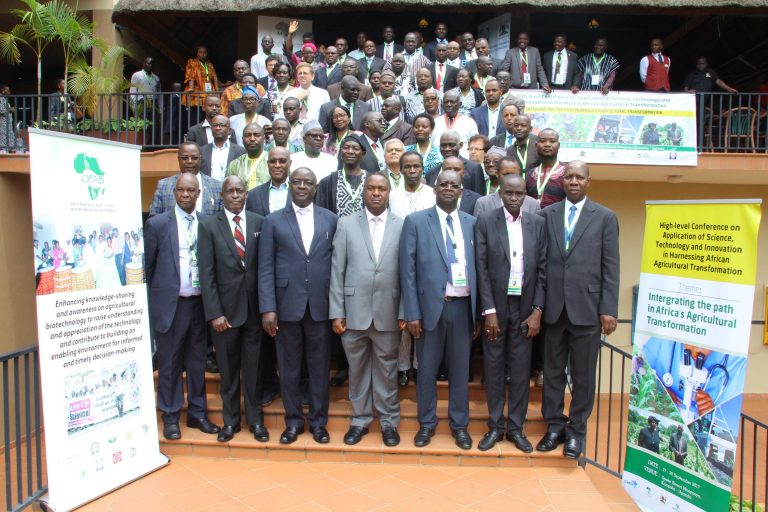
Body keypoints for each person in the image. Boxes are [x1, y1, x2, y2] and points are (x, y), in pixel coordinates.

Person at [535, 161, 619, 459]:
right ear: (562, 181)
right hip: (554, 310)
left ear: (588, 181)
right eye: (568, 176)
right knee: (553, 372)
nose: (573, 181)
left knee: (583, 377)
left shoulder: (605, 217)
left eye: (579, 177)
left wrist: (608, 308)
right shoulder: (547, 215)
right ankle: (554, 426)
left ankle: (576, 431)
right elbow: (541, 264)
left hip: (588, 310)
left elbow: (611, 266)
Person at [400, 170, 479, 450]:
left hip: (463, 309)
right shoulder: (416, 222)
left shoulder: (472, 223)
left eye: (453, 185)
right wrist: (412, 313)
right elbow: (407, 272)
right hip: (428, 310)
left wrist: (479, 312)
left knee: (460, 371)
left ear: (461, 192)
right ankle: (426, 424)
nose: (448, 188)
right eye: (442, 184)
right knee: (426, 371)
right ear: (434, 189)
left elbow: (480, 269)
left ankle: (460, 426)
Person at [258, 167, 338, 445]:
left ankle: (318, 423)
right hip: (286, 306)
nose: (302, 186)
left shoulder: (330, 219)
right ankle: (292, 422)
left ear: (316, 187)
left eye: (308, 182)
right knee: (289, 368)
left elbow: (336, 264)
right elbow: (265, 267)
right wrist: (268, 308)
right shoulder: (272, 221)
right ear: (290, 185)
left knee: (319, 368)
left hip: (320, 306)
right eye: (297, 182)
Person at [144, 172, 221, 441]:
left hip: (199, 305)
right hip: (171, 306)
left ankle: (198, 414)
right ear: (174, 192)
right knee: (170, 363)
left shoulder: (208, 223)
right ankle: (170, 415)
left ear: (198, 194)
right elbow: (148, 268)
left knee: (197, 362)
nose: (185, 194)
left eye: (191, 190)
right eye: (181, 190)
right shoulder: (157, 225)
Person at [329, 172, 404, 447]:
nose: (376, 193)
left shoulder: (402, 225)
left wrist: (404, 311)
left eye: (381, 188)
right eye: (371, 188)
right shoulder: (346, 224)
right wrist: (337, 311)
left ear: (388, 192)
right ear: (364, 192)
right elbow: (337, 270)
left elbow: (407, 273)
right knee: (357, 369)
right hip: (353, 312)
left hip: (389, 311)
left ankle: (389, 421)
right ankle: (360, 420)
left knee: (387, 371)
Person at [475, 172, 547, 452]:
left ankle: (516, 428)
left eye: (519, 193)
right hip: (496, 306)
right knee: (493, 368)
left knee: (520, 370)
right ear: (501, 193)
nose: (514, 198)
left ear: (526, 195)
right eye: (509, 193)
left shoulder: (537, 224)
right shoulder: (485, 221)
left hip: (525, 308)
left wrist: (537, 310)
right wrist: (489, 310)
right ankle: (495, 426)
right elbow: (481, 268)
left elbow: (542, 269)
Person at [197, 175, 266, 442]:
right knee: (228, 372)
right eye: (230, 191)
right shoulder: (208, 226)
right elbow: (206, 273)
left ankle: (256, 421)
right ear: (222, 195)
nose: (235, 195)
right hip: (224, 315)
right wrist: (214, 313)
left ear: (246, 194)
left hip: (254, 313)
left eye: (240, 190)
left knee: (254, 370)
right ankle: (231, 422)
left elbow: (264, 268)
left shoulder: (259, 222)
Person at [149, 142, 223, 216]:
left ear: (200, 159)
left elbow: (222, 219)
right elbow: (154, 219)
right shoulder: (163, 186)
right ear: (178, 159)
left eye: (194, 158)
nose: (189, 161)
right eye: (184, 158)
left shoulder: (217, 186)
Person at [316, 135, 368, 216]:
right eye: (346, 148)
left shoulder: (371, 180)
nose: (350, 151)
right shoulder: (327, 182)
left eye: (355, 148)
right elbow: (319, 213)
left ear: (363, 153)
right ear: (341, 152)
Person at [474, 156, 541, 217]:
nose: (510, 178)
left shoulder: (533, 205)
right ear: (497, 174)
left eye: (514, 174)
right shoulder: (483, 204)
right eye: (506, 174)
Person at [425, 130, 486, 195]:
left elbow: (479, 196)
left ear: (460, 145)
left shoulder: (474, 169)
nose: (447, 149)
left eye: (451, 145)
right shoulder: (432, 172)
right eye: (443, 145)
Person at [246, 146, 292, 217]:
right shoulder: (253, 195)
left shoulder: (300, 192)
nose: (277, 165)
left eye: (282, 161)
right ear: (267, 164)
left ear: (290, 163)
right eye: (273, 161)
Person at [526, 128, 566, 207]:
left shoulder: (568, 172)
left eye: (552, 141)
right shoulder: (530, 174)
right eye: (542, 141)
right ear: (536, 145)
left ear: (558, 145)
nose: (547, 144)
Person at [432, 91, 479, 159]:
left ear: (460, 104)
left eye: (452, 102)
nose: (449, 104)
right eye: (446, 102)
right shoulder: (435, 122)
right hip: (439, 163)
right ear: (442, 104)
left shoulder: (469, 122)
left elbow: (476, 145)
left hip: (462, 163)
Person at [200, 115, 246, 181]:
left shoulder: (240, 151)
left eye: (221, 125)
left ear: (229, 130)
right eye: (215, 125)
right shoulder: (202, 151)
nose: (218, 128)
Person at [227, 122, 269, 190]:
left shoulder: (273, 161)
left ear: (264, 138)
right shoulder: (234, 165)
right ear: (242, 140)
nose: (252, 139)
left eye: (256, 135)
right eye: (247, 135)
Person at [0, 84, 16, 153]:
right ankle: (4, 151)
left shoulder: (4, 99)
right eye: (7, 90)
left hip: (8, 123)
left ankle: (10, 150)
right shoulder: (0, 99)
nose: (9, 92)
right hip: (3, 123)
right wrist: (10, 109)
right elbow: (1, 110)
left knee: (10, 135)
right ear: (2, 90)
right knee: (3, 136)